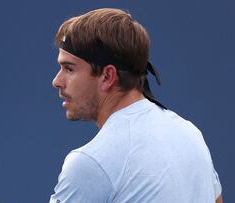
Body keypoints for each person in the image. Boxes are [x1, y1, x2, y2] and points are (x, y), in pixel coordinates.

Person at [49, 8, 222, 203]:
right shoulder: (190, 133)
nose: (57, 81)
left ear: (107, 76)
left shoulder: (90, 163)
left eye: (69, 69)